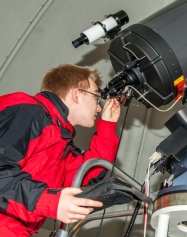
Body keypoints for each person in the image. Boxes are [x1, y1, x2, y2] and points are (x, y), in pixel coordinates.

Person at [0, 64, 121, 236]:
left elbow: (90, 171)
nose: (99, 107)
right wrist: (51, 202)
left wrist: (108, 125)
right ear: (76, 94)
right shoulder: (28, 111)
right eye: (96, 96)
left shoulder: (57, 141)